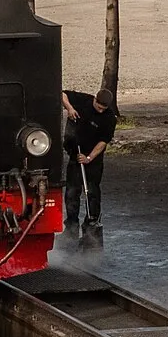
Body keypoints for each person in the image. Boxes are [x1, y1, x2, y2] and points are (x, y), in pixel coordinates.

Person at [61, 87, 118, 247]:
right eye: (98, 107)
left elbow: (103, 142)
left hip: (93, 159)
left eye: (103, 108)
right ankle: (71, 228)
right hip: (75, 152)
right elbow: (62, 94)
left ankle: (91, 226)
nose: (100, 111)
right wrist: (70, 108)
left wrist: (89, 158)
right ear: (95, 100)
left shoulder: (109, 118)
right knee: (72, 192)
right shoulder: (82, 100)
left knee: (92, 191)